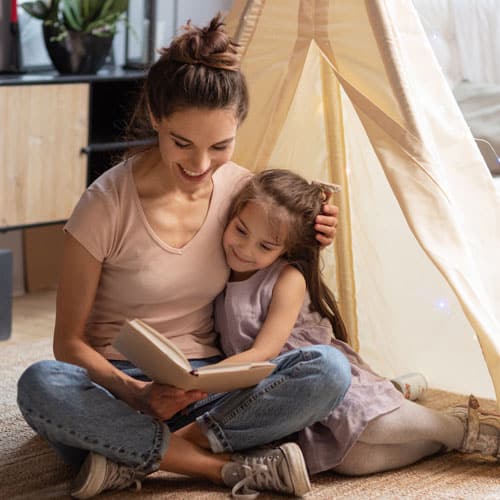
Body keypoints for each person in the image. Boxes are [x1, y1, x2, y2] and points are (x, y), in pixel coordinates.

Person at [16, 15, 352, 500]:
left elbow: (278, 242)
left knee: (328, 371)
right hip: (119, 391)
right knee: (41, 384)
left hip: (212, 387)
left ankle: (133, 456)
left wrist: (316, 230)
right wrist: (137, 395)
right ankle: (218, 469)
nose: (199, 166)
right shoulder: (104, 205)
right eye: (182, 143)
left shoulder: (241, 191)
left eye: (220, 146)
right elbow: (68, 344)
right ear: (156, 117)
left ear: (238, 127)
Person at [175, 168, 500, 479]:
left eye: (265, 246)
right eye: (241, 231)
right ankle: (437, 437)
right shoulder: (217, 271)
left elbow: (265, 352)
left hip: (308, 372)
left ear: (287, 248)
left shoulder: (287, 278)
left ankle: (462, 431)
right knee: (349, 460)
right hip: (279, 392)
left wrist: (198, 382)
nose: (244, 249)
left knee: (367, 424)